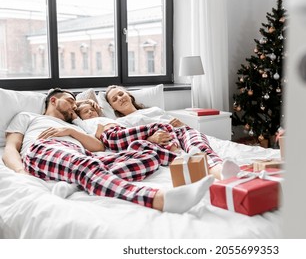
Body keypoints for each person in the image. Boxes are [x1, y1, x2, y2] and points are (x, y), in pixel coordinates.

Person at [2, 88, 214, 213]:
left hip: (80, 155)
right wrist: (21, 172)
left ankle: (77, 182)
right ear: (54, 100)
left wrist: (70, 130)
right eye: (70, 100)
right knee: (85, 166)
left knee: (147, 153)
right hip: (45, 148)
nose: (74, 105)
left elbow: (99, 147)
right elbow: (11, 148)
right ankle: (159, 198)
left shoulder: (76, 126)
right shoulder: (29, 117)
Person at [104, 85, 241, 180]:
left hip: (181, 132)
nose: (120, 98)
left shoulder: (154, 110)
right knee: (171, 142)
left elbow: (183, 127)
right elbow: (130, 142)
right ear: (112, 107)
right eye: (114, 99)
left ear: (128, 94)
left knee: (199, 146)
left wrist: (182, 124)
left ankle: (220, 169)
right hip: (164, 140)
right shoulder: (123, 123)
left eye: (120, 94)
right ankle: (214, 171)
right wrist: (150, 139)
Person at [73, 99, 182, 153]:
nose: (90, 112)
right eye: (85, 112)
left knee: (161, 133)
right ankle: (176, 151)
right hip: (112, 136)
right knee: (161, 126)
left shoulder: (107, 119)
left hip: (120, 134)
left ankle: (172, 153)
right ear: (80, 116)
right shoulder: (83, 123)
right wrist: (86, 101)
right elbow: (71, 111)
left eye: (92, 109)